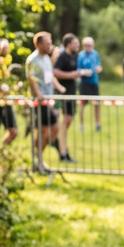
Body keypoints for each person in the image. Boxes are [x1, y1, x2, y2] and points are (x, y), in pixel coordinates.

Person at [25, 31, 59, 171]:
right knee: (43, 131)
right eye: (47, 43)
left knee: (53, 128)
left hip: (49, 101)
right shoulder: (33, 60)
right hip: (39, 103)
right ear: (38, 44)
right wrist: (38, 94)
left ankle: (38, 157)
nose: (50, 46)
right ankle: (37, 161)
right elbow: (30, 78)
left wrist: (59, 88)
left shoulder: (46, 59)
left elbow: (50, 76)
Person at [51, 33, 82, 162]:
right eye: (75, 43)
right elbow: (55, 72)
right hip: (62, 94)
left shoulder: (75, 56)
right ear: (68, 44)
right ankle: (61, 146)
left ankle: (60, 143)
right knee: (65, 120)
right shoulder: (62, 57)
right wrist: (72, 75)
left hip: (72, 92)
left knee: (68, 120)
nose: (78, 45)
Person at [76, 36, 103, 132]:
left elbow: (99, 66)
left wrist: (99, 69)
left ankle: (97, 124)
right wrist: (84, 72)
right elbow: (77, 69)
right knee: (83, 104)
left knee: (96, 104)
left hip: (94, 82)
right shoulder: (81, 55)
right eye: (86, 45)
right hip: (84, 83)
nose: (88, 47)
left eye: (90, 45)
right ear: (83, 46)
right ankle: (81, 124)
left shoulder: (95, 54)